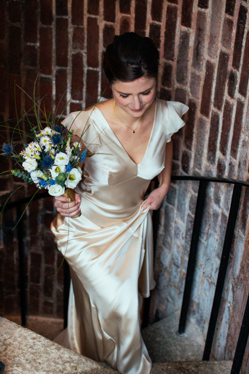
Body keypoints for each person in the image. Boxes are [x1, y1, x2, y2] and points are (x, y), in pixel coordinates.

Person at [50, 32, 188, 374]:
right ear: (110, 84)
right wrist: (59, 197)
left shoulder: (165, 115)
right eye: (124, 94)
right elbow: (60, 174)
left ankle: (91, 355)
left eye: (147, 92)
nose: (137, 104)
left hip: (131, 225)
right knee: (123, 307)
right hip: (88, 228)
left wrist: (164, 184)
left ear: (157, 82)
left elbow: (166, 142)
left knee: (123, 307)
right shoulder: (86, 124)